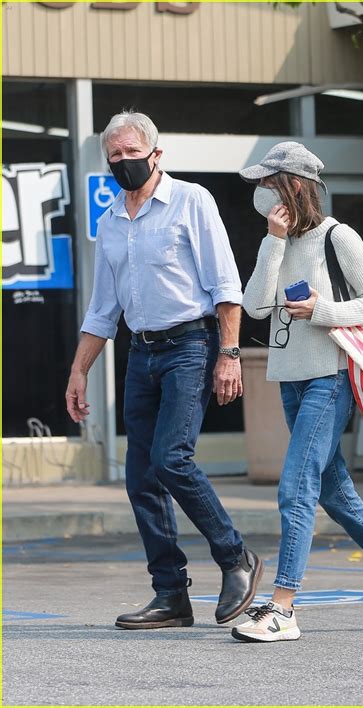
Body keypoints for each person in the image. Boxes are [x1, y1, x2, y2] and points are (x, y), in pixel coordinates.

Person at [66, 110, 262, 630]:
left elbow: (225, 285)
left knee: (172, 459)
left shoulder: (192, 201)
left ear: (156, 154)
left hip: (190, 346)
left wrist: (229, 354)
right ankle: (171, 594)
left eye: (133, 152)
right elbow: (102, 311)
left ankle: (235, 557)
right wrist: (79, 371)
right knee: (140, 478)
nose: (124, 162)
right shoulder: (110, 222)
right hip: (141, 353)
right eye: (115, 155)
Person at [232, 141, 363, 643]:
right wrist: (274, 240)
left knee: (295, 486)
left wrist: (321, 310)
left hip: (331, 375)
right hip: (290, 377)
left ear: (293, 185)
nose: (259, 192)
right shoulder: (272, 240)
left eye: (267, 182)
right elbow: (255, 306)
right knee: (333, 490)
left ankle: (282, 607)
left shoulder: (338, 237)